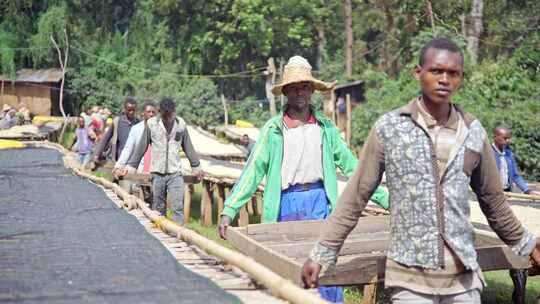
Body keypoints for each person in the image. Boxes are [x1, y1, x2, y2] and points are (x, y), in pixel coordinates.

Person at [301, 38, 540, 304]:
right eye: (436, 71)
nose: (444, 79)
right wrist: (321, 253)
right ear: (419, 73)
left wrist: (528, 244)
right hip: (410, 282)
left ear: (461, 77)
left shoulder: (472, 132)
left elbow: (493, 201)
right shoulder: (390, 129)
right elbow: (355, 198)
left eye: (453, 73)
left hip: (463, 282)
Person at [218, 55, 389, 303]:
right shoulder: (274, 130)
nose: (301, 92)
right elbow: (252, 172)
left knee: (325, 264)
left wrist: (386, 199)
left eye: (305, 87)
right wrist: (230, 209)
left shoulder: (325, 128)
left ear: (312, 91)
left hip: (320, 202)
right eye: (295, 87)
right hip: (285, 203)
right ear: (286, 91)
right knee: (286, 269)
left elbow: (356, 170)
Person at [126, 98, 202, 225]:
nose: (167, 119)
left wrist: (197, 167)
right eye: (164, 116)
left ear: (174, 112)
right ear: (160, 112)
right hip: (157, 173)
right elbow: (142, 146)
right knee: (158, 208)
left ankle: (178, 235)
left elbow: (188, 146)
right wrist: (132, 166)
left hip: (175, 173)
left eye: (169, 116)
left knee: (177, 207)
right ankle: (160, 235)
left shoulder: (180, 124)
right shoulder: (152, 124)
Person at [113, 100, 157, 203]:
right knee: (133, 196)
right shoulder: (136, 129)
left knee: (153, 200)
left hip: (154, 169)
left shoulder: (160, 129)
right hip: (139, 168)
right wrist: (119, 166)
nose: (151, 114)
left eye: (153, 112)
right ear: (143, 113)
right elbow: (128, 149)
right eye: (148, 112)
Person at [492, 126, 540, 196]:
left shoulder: (509, 154)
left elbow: (515, 175)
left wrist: (527, 190)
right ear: (495, 137)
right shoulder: (488, 153)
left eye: (509, 138)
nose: (508, 141)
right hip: (491, 193)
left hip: (506, 192)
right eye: (505, 138)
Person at [90, 97, 139, 165]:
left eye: (133, 110)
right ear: (124, 109)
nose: (131, 112)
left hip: (132, 159)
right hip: (118, 158)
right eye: (129, 110)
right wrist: (96, 155)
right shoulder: (117, 121)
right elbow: (105, 139)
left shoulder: (138, 123)